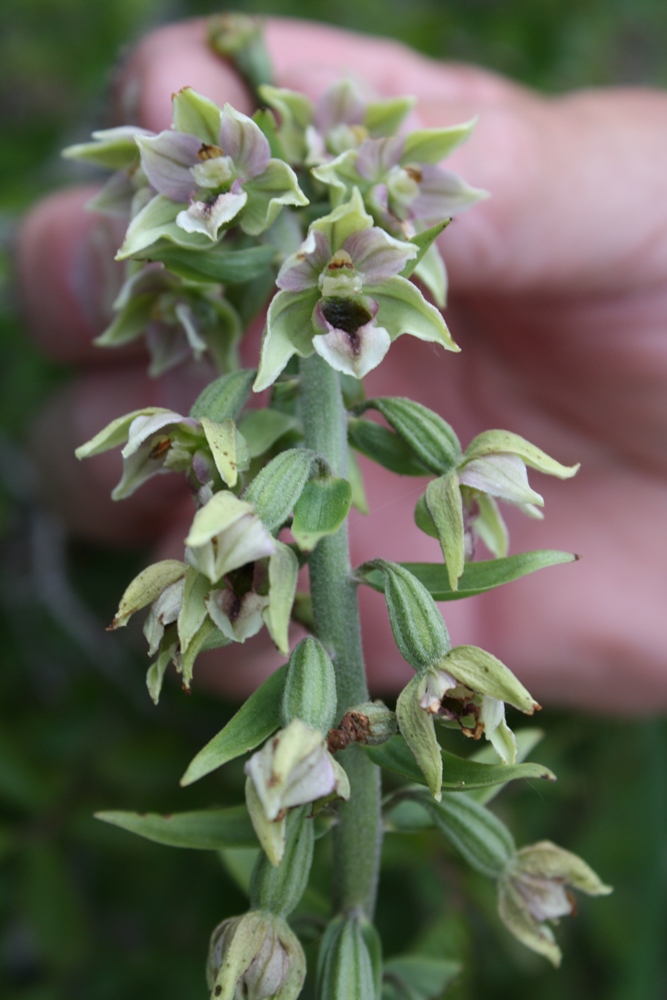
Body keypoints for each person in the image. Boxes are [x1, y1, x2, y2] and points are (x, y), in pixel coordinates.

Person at [17, 17, 667, 711]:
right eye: (200, 169)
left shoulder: (349, 234)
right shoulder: (265, 259)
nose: (344, 287)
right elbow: (275, 337)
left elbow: (398, 300)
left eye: (219, 167)